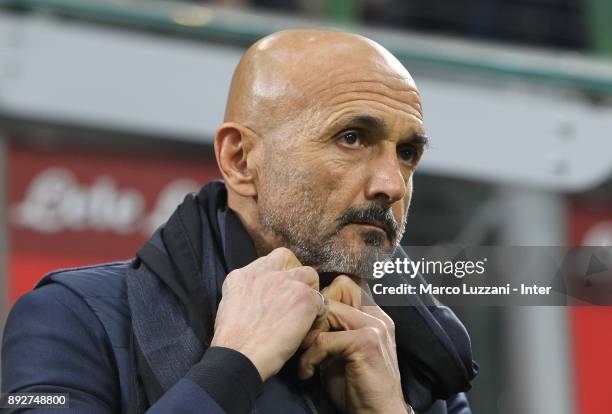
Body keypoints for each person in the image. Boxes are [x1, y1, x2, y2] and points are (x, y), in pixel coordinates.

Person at [2, 30, 477, 413]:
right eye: (351, 138)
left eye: (408, 153)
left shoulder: (417, 365)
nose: (392, 184)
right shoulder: (74, 317)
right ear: (241, 160)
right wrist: (234, 366)